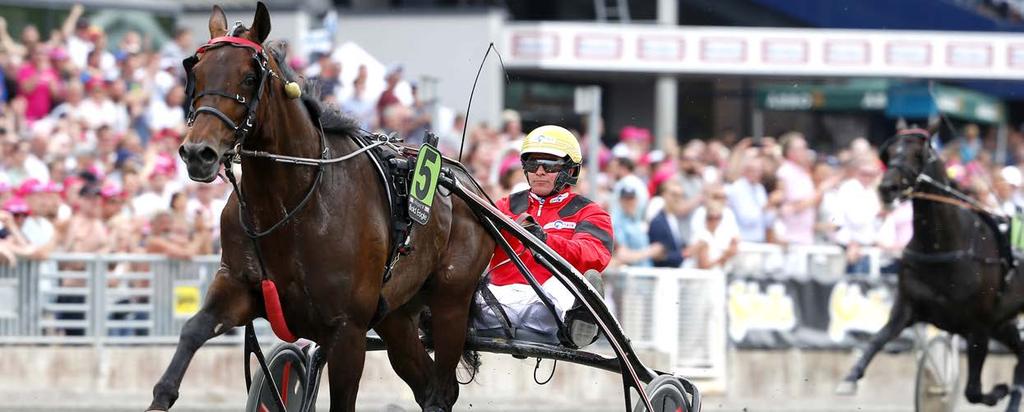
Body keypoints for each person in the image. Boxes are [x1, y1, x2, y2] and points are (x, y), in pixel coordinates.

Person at [474, 125, 613, 348]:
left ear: (570, 170)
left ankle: (580, 323)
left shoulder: (589, 211)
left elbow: (595, 256)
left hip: (548, 308)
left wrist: (544, 240)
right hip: (496, 303)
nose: (539, 171)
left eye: (549, 165)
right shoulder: (504, 206)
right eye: (532, 163)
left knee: (578, 282)